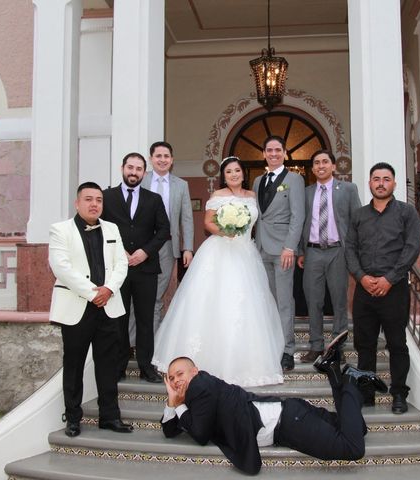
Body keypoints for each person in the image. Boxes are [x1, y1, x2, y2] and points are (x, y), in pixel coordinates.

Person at [152, 156, 284, 387]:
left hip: (246, 254)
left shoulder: (252, 196)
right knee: (212, 303)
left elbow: (257, 225)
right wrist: (226, 230)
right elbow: (208, 223)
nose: (234, 175)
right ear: (224, 176)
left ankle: (245, 364)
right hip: (220, 250)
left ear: (243, 173)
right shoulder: (217, 196)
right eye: (229, 172)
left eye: (237, 171)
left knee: (246, 306)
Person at [161, 346, 387, 475]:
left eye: (180, 374)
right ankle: (333, 372)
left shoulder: (200, 385)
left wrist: (179, 403)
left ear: (194, 371)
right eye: (171, 379)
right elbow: (170, 430)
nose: (176, 381)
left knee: (353, 448)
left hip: (289, 423)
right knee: (359, 428)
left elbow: (199, 435)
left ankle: (350, 381)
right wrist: (172, 401)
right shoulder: (196, 393)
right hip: (289, 413)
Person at [48, 182, 132, 437]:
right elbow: (61, 267)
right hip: (77, 306)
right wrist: (92, 293)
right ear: (77, 203)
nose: (94, 204)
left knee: (108, 364)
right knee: (73, 365)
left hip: (108, 306)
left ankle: (110, 416)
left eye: (98, 200)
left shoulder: (112, 228)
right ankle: (73, 418)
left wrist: (108, 290)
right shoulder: (60, 230)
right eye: (88, 199)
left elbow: (121, 264)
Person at [346, 162, 420, 414]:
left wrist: (390, 278)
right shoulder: (358, 215)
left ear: (394, 183)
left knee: (397, 343)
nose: (380, 183)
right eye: (376, 179)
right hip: (364, 289)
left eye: (386, 179)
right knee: (364, 344)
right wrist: (360, 277)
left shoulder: (406, 213)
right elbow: (350, 249)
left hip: (394, 289)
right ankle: (366, 393)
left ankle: (398, 393)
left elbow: (411, 248)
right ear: (369, 183)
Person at [101, 153, 171, 383]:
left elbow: (163, 230)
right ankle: (119, 366)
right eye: (130, 167)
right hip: (116, 269)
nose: (134, 172)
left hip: (145, 269)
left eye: (139, 169)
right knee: (118, 319)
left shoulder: (154, 199)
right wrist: (119, 252)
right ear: (122, 168)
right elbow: (99, 227)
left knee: (145, 319)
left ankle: (146, 368)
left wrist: (145, 252)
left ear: (144, 171)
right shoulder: (106, 197)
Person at [297, 150, 361, 363]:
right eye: (316, 163)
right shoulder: (306, 192)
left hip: (338, 251)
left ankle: (336, 346)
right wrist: (300, 250)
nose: (321, 166)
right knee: (313, 300)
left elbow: (356, 222)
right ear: (313, 168)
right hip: (313, 251)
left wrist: (353, 252)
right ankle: (316, 346)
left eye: (325, 162)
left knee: (339, 300)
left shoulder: (348, 189)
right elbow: (299, 223)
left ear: (333, 166)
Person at [252, 136, 305, 371]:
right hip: (261, 247)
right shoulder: (257, 181)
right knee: (268, 301)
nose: (273, 153)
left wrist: (290, 247)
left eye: (278, 150)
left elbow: (298, 215)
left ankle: (287, 349)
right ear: (263, 153)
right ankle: (271, 345)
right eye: (269, 150)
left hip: (283, 249)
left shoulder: (294, 179)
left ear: (285, 153)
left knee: (284, 301)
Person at [141, 141, 194, 332]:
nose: (162, 160)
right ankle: (133, 341)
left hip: (167, 246)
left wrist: (187, 247)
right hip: (141, 246)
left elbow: (186, 218)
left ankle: (152, 342)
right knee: (138, 294)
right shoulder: (141, 180)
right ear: (151, 159)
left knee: (156, 295)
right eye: (158, 156)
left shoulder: (181, 185)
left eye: (166, 156)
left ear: (172, 160)